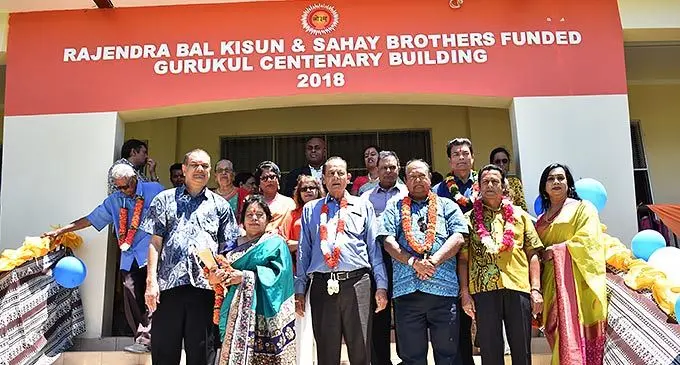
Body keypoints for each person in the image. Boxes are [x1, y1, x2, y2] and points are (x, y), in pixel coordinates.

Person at [42, 164, 164, 354]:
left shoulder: (154, 190)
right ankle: (142, 338)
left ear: (134, 179)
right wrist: (61, 230)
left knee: (153, 295)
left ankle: (149, 338)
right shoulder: (114, 201)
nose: (124, 191)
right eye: (119, 187)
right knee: (130, 293)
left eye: (126, 186)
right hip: (129, 256)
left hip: (151, 253)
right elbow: (91, 219)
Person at [142, 149, 240, 365]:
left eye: (205, 166)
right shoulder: (164, 200)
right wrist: (151, 282)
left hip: (205, 290)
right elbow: (155, 243)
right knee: (164, 353)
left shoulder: (220, 205)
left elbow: (228, 249)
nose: (200, 170)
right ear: (184, 169)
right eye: (195, 165)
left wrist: (222, 275)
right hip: (168, 289)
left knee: (202, 355)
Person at [295, 156, 389, 365]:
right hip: (321, 284)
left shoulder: (363, 206)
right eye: (330, 173)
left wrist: (381, 286)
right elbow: (304, 252)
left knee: (361, 348)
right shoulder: (311, 209)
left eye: (340, 173)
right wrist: (300, 289)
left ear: (348, 177)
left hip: (358, 282)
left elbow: (374, 249)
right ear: (323, 179)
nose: (335, 177)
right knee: (326, 351)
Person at [379, 159, 467, 365]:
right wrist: (413, 262)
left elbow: (459, 237)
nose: (418, 180)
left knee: (448, 355)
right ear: (405, 181)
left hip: (444, 293)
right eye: (412, 176)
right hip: (407, 293)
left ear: (430, 178)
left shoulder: (447, 205)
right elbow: (388, 241)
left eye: (422, 176)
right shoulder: (394, 206)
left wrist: (434, 261)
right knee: (412, 357)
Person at [458, 165, 543, 365]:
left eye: (494, 181)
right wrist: (465, 293)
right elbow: (463, 259)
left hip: (518, 288)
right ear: (478, 187)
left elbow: (533, 254)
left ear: (503, 186)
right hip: (483, 290)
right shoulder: (468, 219)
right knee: (490, 350)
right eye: (485, 181)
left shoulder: (520, 216)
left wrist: (536, 289)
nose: (490, 185)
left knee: (522, 350)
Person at [207, 195, 296, 364]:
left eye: (260, 215)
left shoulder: (276, 244)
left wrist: (245, 277)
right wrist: (215, 277)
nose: (254, 218)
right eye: (249, 215)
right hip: (232, 307)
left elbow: (281, 277)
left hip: (266, 312)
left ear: (268, 219)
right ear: (242, 220)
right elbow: (215, 276)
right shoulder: (230, 246)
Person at [534, 163, 607, 365]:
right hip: (550, 282)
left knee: (571, 327)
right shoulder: (540, 220)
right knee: (554, 328)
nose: (556, 182)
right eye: (550, 179)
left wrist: (557, 250)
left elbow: (589, 240)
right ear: (544, 187)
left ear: (569, 183)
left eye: (561, 178)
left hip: (575, 282)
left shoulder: (583, 208)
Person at [432, 138, 478, 365]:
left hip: (482, 261)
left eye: (465, 153)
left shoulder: (487, 183)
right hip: (451, 263)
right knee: (457, 323)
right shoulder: (438, 190)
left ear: (472, 158)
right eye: (456, 154)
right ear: (449, 160)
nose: (461, 157)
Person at [360, 150, 408, 365]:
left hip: (403, 260)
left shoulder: (408, 193)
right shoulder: (365, 198)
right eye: (384, 168)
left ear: (399, 169)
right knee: (378, 312)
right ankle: (380, 361)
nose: (388, 171)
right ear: (376, 170)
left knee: (404, 312)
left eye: (392, 167)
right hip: (375, 261)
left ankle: (407, 358)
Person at [281, 175, 325, 365]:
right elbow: (282, 243)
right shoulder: (292, 215)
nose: (308, 191)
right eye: (304, 188)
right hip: (297, 273)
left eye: (312, 188)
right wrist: (304, 245)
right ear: (298, 193)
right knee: (302, 320)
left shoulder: (326, 211)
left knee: (323, 322)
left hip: (323, 273)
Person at [255, 161, 296, 234]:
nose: (269, 180)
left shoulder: (289, 203)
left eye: (272, 177)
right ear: (259, 184)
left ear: (278, 181)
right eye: (264, 178)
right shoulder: (254, 204)